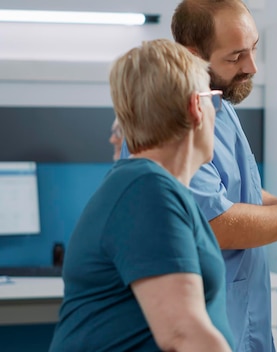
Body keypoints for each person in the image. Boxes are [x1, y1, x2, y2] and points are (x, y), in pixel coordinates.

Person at [121, 1, 277, 350]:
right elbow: (215, 222)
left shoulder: (220, 103)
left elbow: (242, 194)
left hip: (243, 317)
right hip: (204, 324)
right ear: (193, 55)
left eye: (253, 50)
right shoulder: (173, 122)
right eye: (235, 57)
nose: (251, 67)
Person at [49, 38, 232, 352]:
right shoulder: (147, 190)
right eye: (212, 99)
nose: (216, 113)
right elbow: (182, 334)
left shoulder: (151, 187)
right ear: (195, 107)